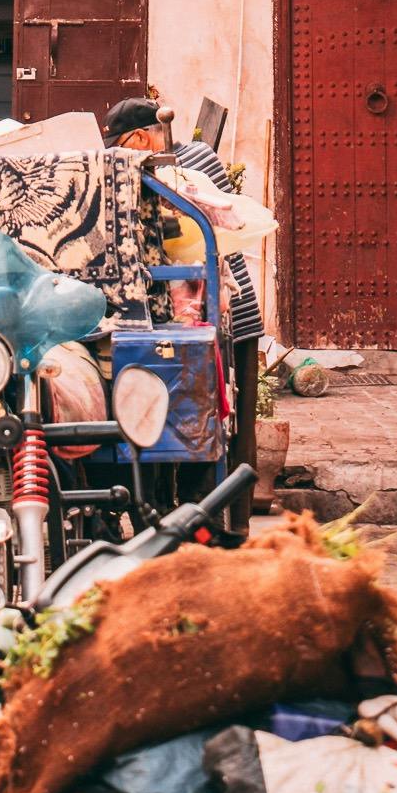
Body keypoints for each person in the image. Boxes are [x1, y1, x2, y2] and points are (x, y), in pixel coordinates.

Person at [104, 95, 263, 523]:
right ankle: (189, 516)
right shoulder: (161, 167)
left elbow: (180, 228)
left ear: (140, 139)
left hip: (229, 312)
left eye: (121, 146)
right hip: (197, 308)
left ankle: (221, 525)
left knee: (219, 423)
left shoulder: (185, 166)